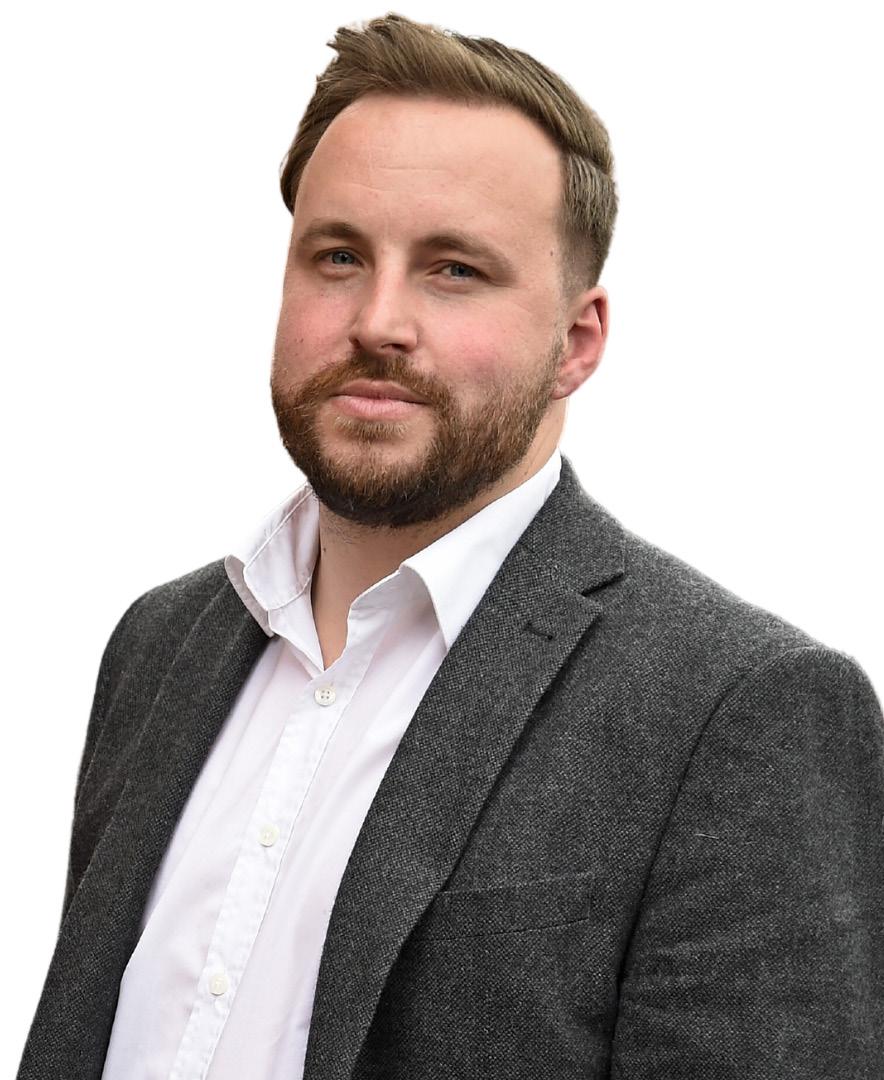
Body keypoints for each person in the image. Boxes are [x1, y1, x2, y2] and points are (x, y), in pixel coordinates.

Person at [17, 12, 883, 1080]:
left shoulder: (737, 708)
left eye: (455, 270)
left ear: (575, 343)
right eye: (338, 257)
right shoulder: (159, 646)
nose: (378, 320)